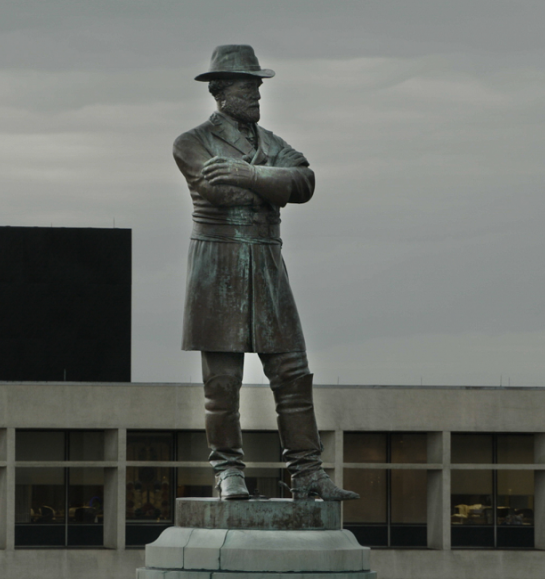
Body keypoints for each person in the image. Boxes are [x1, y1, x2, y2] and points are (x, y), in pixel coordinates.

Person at [173, 45, 359, 502]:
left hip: (268, 265)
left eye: (258, 86)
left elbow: (304, 183)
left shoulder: (273, 142)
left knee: (292, 371)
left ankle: (307, 473)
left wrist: (246, 174)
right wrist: (271, 183)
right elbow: (220, 194)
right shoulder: (192, 142)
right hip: (218, 267)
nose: (257, 94)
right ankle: (228, 472)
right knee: (222, 382)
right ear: (220, 92)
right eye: (247, 86)